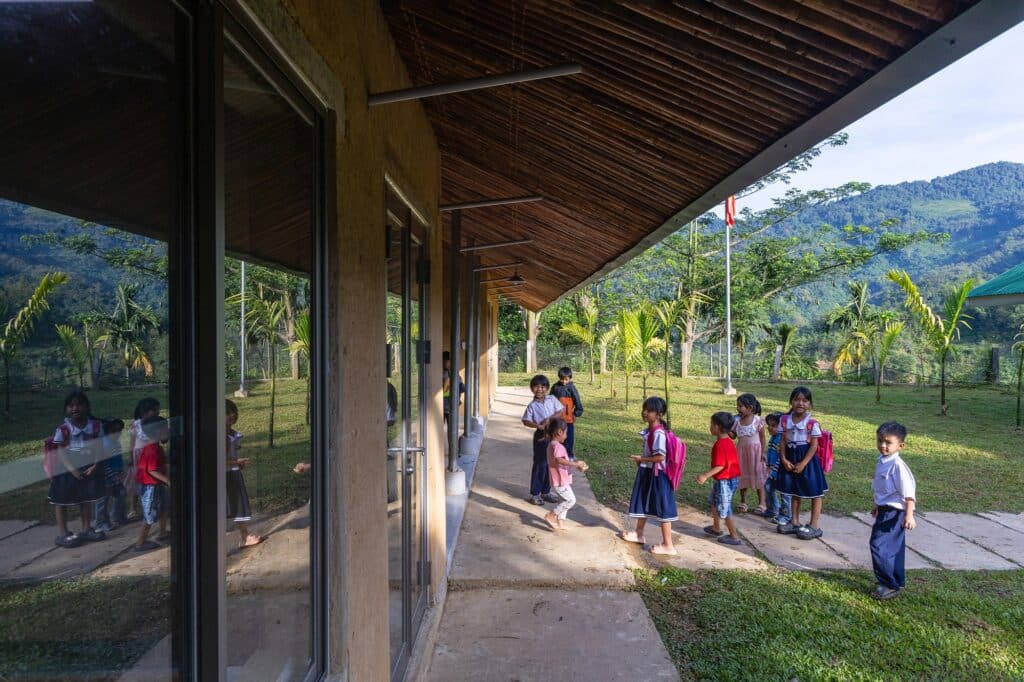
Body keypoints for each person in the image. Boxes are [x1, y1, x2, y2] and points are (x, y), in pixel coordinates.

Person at [618, 396, 678, 556]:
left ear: (659, 414)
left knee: (664, 509)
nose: (644, 413)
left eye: (649, 410)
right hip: (649, 473)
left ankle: (668, 545)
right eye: (644, 409)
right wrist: (643, 461)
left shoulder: (658, 434)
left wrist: (642, 459)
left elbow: (660, 457)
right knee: (644, 503)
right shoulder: (651, 431)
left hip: (659, 476)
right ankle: (639, 533)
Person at [48, 390, 107, 548]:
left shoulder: (95, 426)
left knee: (85, 497)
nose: (75, 408)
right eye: (71, 405)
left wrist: (95, 465)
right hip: (66, 468)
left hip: (87, 464)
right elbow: (60, 451)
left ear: (87, 406)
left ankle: (86, 528)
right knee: (60, 500)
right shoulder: (63, 429)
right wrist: (72, 469)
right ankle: (63, 533)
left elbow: (99, 447)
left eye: (79, 404)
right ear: (67, 408)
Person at [869, 421, 917, 600]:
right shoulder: (881, 461)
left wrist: (909, 516)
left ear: (900, 446)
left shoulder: (898, 466)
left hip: (895, 514)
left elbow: (909, 495)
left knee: (879, 545)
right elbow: (884, 488)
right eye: (880, 440)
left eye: (888, 442)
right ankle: (895, 580)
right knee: (892, 547)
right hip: (885, 510)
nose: (883, 445)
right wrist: (877, 505)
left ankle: (889, 584)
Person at [774, 386, 828, 540]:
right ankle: (795, 522)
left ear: (810, 404)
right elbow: (783, 441)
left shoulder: (811, 423)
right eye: (797, 399)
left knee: (814, 493)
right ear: (791, 401)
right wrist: (783, 459)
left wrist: (804, 463)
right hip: (790, 458)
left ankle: (814, 525)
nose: (800, 403)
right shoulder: (784, 421)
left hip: (807, 460)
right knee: (793, 490)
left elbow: (814, 445)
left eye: (805, 400)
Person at [697, 411, 743, 545]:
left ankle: (734, 536)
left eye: (711, 424)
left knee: (725, 507)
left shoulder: (721, 444)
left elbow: (720, 465)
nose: (710, 427)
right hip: (726, 479)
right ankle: (716, 527)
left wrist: (705, 475)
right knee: (713, 502)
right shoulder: (727, 441)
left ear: (717, 427)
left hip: (725, 481)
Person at [521, 374, 565, 505]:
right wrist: (538, 425)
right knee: (540, 465)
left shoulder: (552, 399)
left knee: (551, 464)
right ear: (532, 389)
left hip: (554, 436)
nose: (539, 389)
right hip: (541, 437)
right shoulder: (532, 406)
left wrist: (549, 419)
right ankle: (535, 494)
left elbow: (561, 410)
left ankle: (546, 492)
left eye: (543, 386)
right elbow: (525, 420)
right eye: (536, 386)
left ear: (547, 388)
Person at [225, 399, 263, 548]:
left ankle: (245, 535)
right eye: (228, 413)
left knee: (237, 505)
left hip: (232, 474)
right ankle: (244, 536)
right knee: (232, 505)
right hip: (227, 476)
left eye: (234, 411)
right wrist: (236, 462)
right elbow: (217, 460)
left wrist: (236, 463)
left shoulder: (230, 434)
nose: (233, 415)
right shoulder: (222, 435)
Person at [542, 417, 589, 531]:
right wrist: (575, 464)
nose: (566, 435)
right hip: (560, 481)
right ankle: (551, 515)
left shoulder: (552, 444)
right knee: (570, 500)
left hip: (560, 480)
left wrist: (574, 465)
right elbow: (559, 460)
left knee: (565, 501)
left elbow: (560, 461)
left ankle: (561, 523)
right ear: (559, 432)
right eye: (566, 433)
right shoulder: (557, 446)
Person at [134, 415, 170, 551]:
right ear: (158, 432)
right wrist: (167, 480)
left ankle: (162, 533)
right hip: (150, 486)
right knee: (149, 515)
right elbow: (152, 470)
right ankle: (140, 543)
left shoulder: (153, 446)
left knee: (162, 508)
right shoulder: (153, 449)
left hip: (154, 484)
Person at [126, 397, 161, 521]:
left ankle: (153, 506)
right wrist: (131, 460)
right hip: (138, 459)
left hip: (151, 458)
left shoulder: (156, 424)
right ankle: (132, 508)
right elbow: (131, 444)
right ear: (144, 411)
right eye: (155, 410)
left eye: (158, 410)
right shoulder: (136, 425)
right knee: (137, 484)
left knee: (152, 482)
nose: (158, 412)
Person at [733, 393, 767, 514]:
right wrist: (726, 428)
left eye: (740, 406)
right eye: (737, 406)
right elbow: (733, 435)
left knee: (758, 476)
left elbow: (762, 437)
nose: (738, 408)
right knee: (742, 475)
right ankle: (743, 501)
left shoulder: (757, 421)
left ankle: (762, 502)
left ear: (750, 408)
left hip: (755, 454)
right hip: (741, 453)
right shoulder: (737, 421)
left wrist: (763, 452)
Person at [93, 417, 127, 532]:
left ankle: (117, 516)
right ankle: (100, 523)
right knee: (102, 501)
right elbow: (104, 464)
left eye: (120, 430)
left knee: (121, 494)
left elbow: (119, 459)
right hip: (105, 478)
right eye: (115, 431)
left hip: (116, 476)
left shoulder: (116, 443)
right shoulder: (105, 445)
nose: (118, 433)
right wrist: (113, 476)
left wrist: (121, 471)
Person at [762, 413, 791, 525]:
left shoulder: (782, 439)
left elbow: (782, 456)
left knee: (785, 494)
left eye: (774, 426)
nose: (770, 428)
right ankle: (772, 510)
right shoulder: (774, 437)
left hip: (781, 471)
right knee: (768, 487)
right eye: (769, 425)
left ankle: (786, 515)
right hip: (773, 470)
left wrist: (774, 469)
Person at [549, 367, 584, 460]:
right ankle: (559, 454)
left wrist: (575, 414)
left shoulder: (572, 388)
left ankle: (570, 455)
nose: (564, 381)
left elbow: (578, 403)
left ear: (570, 378)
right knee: (557, 436)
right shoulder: (555, 387)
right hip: (557, 419)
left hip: (568, 420)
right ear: (559, 377)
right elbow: (550, 401)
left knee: (569, 438)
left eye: (566, 379)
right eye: (562, 379)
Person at [441, 350, 465, 425]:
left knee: (451, 428)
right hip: (441, 406)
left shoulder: (453, 373)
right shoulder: (439, 372)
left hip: (450, 405)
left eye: (448, 361)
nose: (447, 363)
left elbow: (461, 386)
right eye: (445, 361)